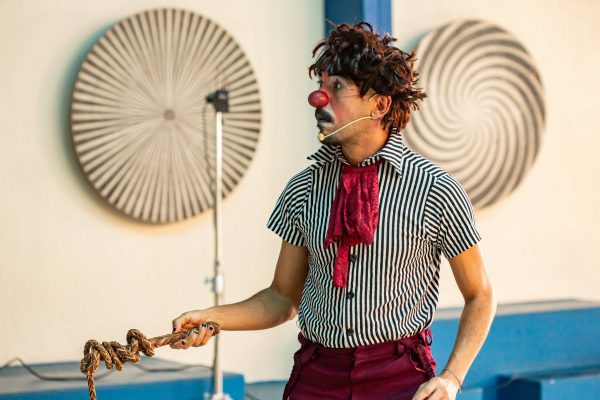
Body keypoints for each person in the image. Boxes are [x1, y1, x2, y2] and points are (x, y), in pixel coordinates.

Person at [170, 22, 496, 400]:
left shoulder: (435, 190)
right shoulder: (303, 189)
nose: (319, 99)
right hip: (317, 376)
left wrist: (452, 377)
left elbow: (480, 295)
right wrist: (213, 316)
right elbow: (282, 298)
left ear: (379, 104)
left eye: (337, 87)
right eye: (321, 85)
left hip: (399, 378)